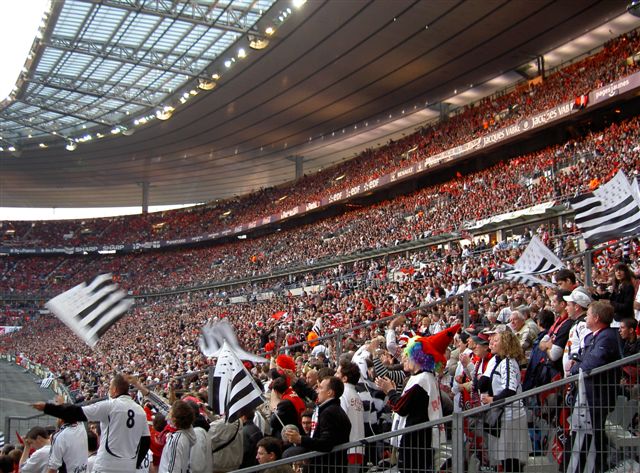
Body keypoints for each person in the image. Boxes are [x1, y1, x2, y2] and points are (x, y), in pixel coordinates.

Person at [375, 325, 458, 473]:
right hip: (420, 440)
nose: (404, 358)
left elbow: (401, 407)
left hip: (416, 441)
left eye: (408, 354)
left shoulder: (422, 380)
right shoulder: (425, 377)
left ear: (419, 357)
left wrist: (390, 391)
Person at [33, 373, 150, 472]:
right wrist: (134, 462)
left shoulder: (110, 406)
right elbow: (145, 442)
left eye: (109, 388)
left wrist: (48, 408)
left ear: (114, 390)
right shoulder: (140, 411)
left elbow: (77, 412)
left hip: (106, 466)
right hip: (129, 467)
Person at [569, 301, 621, 473]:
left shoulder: (607, 336)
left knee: (595, 438)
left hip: (598, 396)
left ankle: (596, 468)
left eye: (589, 314)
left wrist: (575, 368)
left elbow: (591, 362)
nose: (586, 317)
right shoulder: (594, 336)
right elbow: (583, 359)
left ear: (596, 318)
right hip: (588, 395)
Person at [480, 325, 529, 473]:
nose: (491, 343)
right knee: (506, 459)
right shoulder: (498, 361)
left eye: (495, 340)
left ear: (505, 343)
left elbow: (510, 389)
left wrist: (492, 399)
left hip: (511, 416)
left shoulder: (508, 362)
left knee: (511, 460)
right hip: (504, 415)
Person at [283, 377, 351, 473]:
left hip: (327, 467)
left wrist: (300, 439)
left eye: (320, 388)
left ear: (330, 392)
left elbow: (326, 443)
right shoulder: (332, 409)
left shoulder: (329, 412)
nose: (317, 391)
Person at [336, 360, 365, 469]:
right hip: (357, 448)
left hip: (346, 448)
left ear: (344, 378)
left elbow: (340, 420)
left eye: (338, 373)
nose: (335, 375)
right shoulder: (356, 396)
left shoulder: (342, 394)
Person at [157, 400, 196, 473]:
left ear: (174, 419)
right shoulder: (187, 433)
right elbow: (163, 406)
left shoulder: (176, 440)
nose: (167, 416)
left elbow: (173, 470)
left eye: (170, 413)